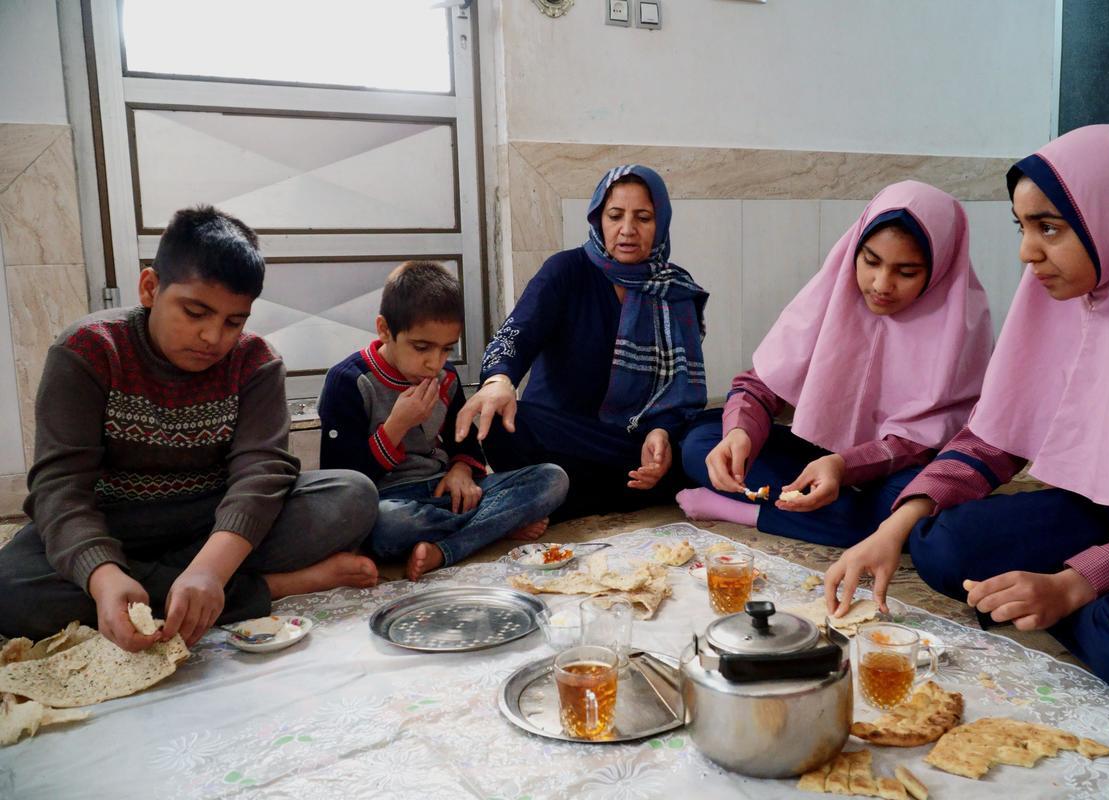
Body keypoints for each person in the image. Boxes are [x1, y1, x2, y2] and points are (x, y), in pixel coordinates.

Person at [825, 126, 1109, 707]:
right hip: (1108, 510)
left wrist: (1076, 582)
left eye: (1049, 228)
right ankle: (1075, 600)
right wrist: (891, 530)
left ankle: (1077, 607)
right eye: (1022, 227)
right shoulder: (1071, 301)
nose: (1027, 253)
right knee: (941, 545)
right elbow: (993, 437)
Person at [0, 206, 380, 651]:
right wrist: (103, 575)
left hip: (213, 521)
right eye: (195, 312)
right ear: (150, 288)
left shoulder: (256, 361)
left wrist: (211, 568)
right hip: (117, 524)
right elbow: (60, 487)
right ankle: (271, 587)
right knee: (9, 587)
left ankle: (194, 587)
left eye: (233, 321)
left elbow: (261, 473)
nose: (212, 337)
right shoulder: (88, 350)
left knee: (352, 496)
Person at [678, 181, 992, 546]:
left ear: (939, 270)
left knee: (913, 511)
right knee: (702, 441)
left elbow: (926, 443)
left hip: (896, 467)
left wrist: (845, 468)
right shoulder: (831, 294)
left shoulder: (962, 325)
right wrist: (739, 433)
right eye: (871, 261)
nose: (881, 284)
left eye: (906, 272)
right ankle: (831, 518)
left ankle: (746, 511)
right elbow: (760, 385)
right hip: (819, 454)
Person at [456, 164, 709, 520]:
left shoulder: (674, 290)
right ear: (597, 219)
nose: (627, 230)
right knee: (500, 418)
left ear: (661, 223)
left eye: (644, 218)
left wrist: (662, 434)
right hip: (564, 439)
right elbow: (514, 335)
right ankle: (593, 494)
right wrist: (498, 381)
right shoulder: (566, 271)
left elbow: (679, 398)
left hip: (629, 442)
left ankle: (554, 500)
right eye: (615, 215)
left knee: (703, 443)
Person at [318, 262, 568, 581]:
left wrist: (461, 470)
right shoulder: (349, 381)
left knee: (552, 479)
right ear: (384, 329)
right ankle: (492, 526)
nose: (434, 363)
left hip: (445, 494)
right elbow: (342, 484)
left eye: (446, 349)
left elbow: (465, 445)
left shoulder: (446, 378)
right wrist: (396, 426)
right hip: (390, 502)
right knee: (386, 527)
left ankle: (446, 548)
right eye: (421, 347)